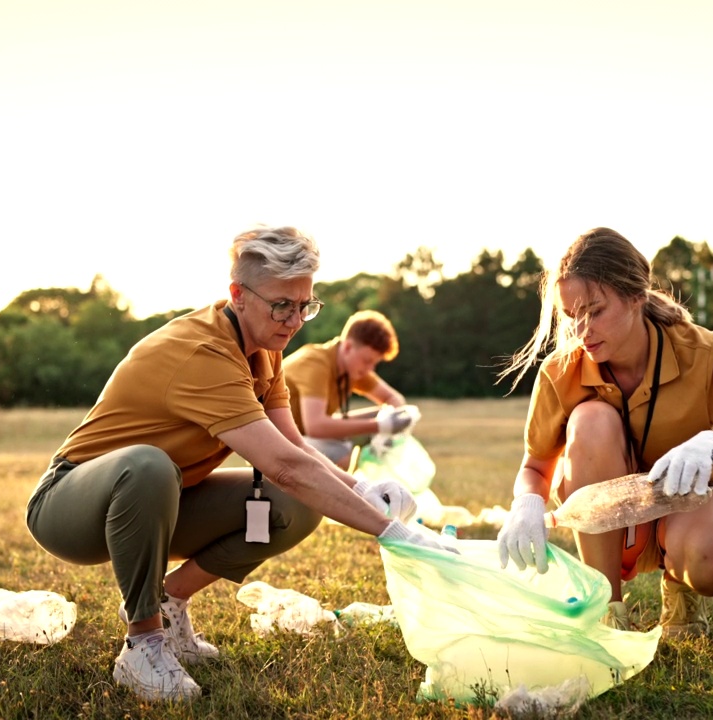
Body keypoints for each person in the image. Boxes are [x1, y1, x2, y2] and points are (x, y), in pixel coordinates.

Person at [24, 226, 451, 703]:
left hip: (164, 499)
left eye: (305, 305)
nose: (294, 320)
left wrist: (362, 486)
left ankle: (169, 603)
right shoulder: (203, 351)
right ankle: (142, 643)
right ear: (238, 295)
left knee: (293, 504)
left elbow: (293, 449)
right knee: (150, 466)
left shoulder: (266, 350)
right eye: (281, 305)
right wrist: (391, 532)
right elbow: (284, 464)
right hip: (69, 505)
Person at [495, 227, 713, 637]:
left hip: (697, 502)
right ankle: (607, 610)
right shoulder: (559, 372)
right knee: (591, 421)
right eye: (571, 317)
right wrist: (526, 505)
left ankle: (679, 589)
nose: (581, 331)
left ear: (636, 296)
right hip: (615, 524)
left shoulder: (702, 350)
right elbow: (535, 466)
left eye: (595, 311)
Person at [284, 309, 417, 469]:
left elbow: (393, 399)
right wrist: (379, 426)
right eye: (367, 361)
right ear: (347, 347)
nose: (370, 369)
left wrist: (394, 420)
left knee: (382, 415)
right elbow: (315, 426)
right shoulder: (316, 364)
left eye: (375, 363)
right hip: (275, 444)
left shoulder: (351, 367)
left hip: (303, 437)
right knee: (341, 454)